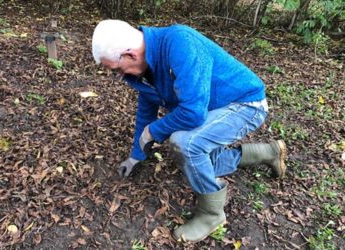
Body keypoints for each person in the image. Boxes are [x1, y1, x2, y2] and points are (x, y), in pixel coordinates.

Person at [91, 20, 287, 243]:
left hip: (246, 104)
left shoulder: (181, 43)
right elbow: (146, 113)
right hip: (213, 108)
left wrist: (153, 131)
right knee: (196, 163)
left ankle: (212, 214)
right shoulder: (143, 70)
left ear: (131, 55)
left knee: (186, 143)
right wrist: (136, 154)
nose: (117, 75)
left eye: (116, 69)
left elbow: (193, 113)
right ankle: (268, 153)